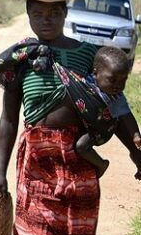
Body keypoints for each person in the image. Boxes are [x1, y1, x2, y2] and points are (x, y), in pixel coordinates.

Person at [0, 0, 141, 235]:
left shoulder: (90, 56)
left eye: (54, 12)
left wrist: (136, 152)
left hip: (78, 160)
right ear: (27, 14)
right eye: (38, 13)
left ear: (66, 14)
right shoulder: (20, 59)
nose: (46, 19)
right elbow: (9, 119)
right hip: (37, 159)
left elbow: (115, 107)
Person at [53, 46, 140, 177]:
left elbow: (126, 115)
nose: (119, 86)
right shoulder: (82, 82)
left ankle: (101, 164)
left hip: (100, 129)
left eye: (123, 81)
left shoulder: (116, 96)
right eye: (113, 80)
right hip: (83, 124)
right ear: (95, 73)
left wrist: (136, 135)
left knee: (82, 146)